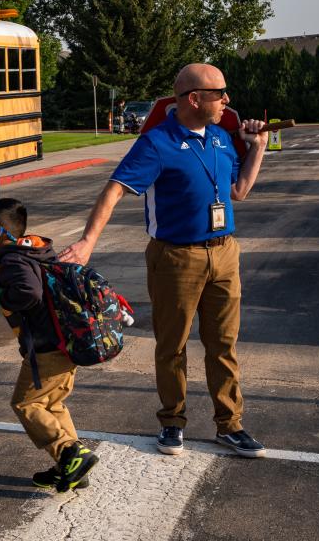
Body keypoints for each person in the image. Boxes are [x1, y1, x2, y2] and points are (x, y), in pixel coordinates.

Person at [60, 63, 269, 458]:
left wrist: (256, 148)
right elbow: (114, 191)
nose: (227, 100)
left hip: (224, 253)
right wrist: (88, 241)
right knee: (172, 346)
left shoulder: (223, 139)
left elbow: (239, 192)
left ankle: (231, 425)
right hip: (176, 257)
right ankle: (172, 422)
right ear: (194, 98)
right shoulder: (157, 143)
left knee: (223, 345)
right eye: (219, 93)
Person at [0, 198, 98, 493]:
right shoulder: (34, 251)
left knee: (26, 403)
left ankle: (71, 454)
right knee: (51, 404)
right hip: (63, 343)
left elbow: (28, 292)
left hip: (46, 348)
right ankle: (71, 468)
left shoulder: (13, 260)